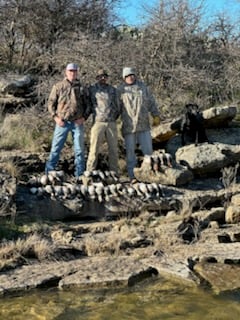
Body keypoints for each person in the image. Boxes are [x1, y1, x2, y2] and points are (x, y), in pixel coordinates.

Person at [117, 67, 161, 181]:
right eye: (127, 76)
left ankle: (151, 176)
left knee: (148, 152)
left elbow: (151, 102)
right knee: (130, 154)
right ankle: (132, 177)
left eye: (132, 75)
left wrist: (155, 115)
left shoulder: (143, 87)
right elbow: (116, 108)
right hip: (128, 126)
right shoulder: (120, 90)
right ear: (124, 77)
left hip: (144, 124)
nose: (130, 77)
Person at [45, 63, 89, 177]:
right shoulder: (58, 86)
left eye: (74, 71)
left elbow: (88, 105)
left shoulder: (82, 87)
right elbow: (50, 103)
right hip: (62, 123)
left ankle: (80, 175)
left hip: (77, 123)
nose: (72, 73)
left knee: (79, 151)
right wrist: (55, 118)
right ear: (66, 72)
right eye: (70, 71)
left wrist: (83, 118)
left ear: (77, 72)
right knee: (55, 149)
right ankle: (49, 173)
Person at [86, 68, 119, 174]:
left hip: (111, 122)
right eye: (100, 76)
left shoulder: (113, 90)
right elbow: (87, 104)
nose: (103, 78)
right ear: (97, 78)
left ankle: (114, 174)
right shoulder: (91, 89)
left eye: (105, 76)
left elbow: (118, 105)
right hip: (97, 122)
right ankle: (89, 172)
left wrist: (114, 116)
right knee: (94, 149)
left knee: (113, 150)